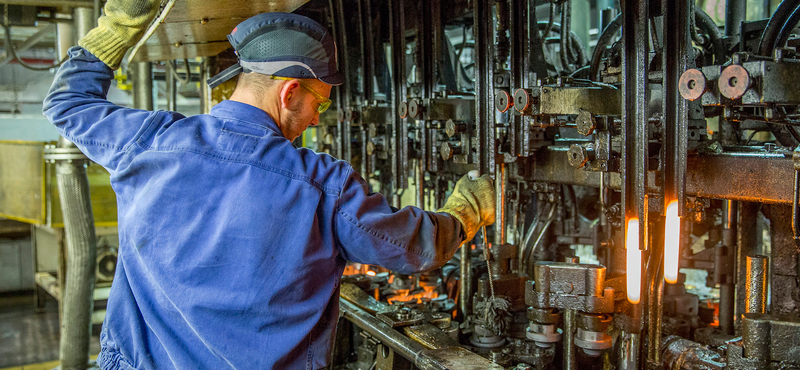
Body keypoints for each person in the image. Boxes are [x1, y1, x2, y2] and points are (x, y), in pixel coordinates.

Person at [43, 1, 495, 369]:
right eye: (318, 101)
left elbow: (66, 102)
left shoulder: (149, 143)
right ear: (289, 91)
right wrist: (465, 213)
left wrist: (119, 27)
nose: (318, 117)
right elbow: (412, 248)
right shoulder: (322, 185)